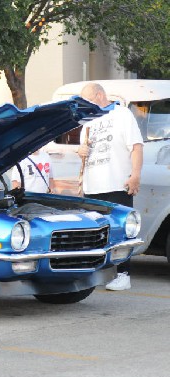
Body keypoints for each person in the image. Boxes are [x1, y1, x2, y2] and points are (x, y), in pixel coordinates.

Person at [78, 82, 144, 291]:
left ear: (99, 95)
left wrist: (135, 175)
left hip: (117, 182)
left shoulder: (122, 114)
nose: (85, 105)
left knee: (121, 229)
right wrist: (81, 155)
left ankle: (123, 273)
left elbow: (136, 146)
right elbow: (84, 154)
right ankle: (98, 272)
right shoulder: (88, 121)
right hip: (92, 185)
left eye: (88, 100)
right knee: (95, 231)